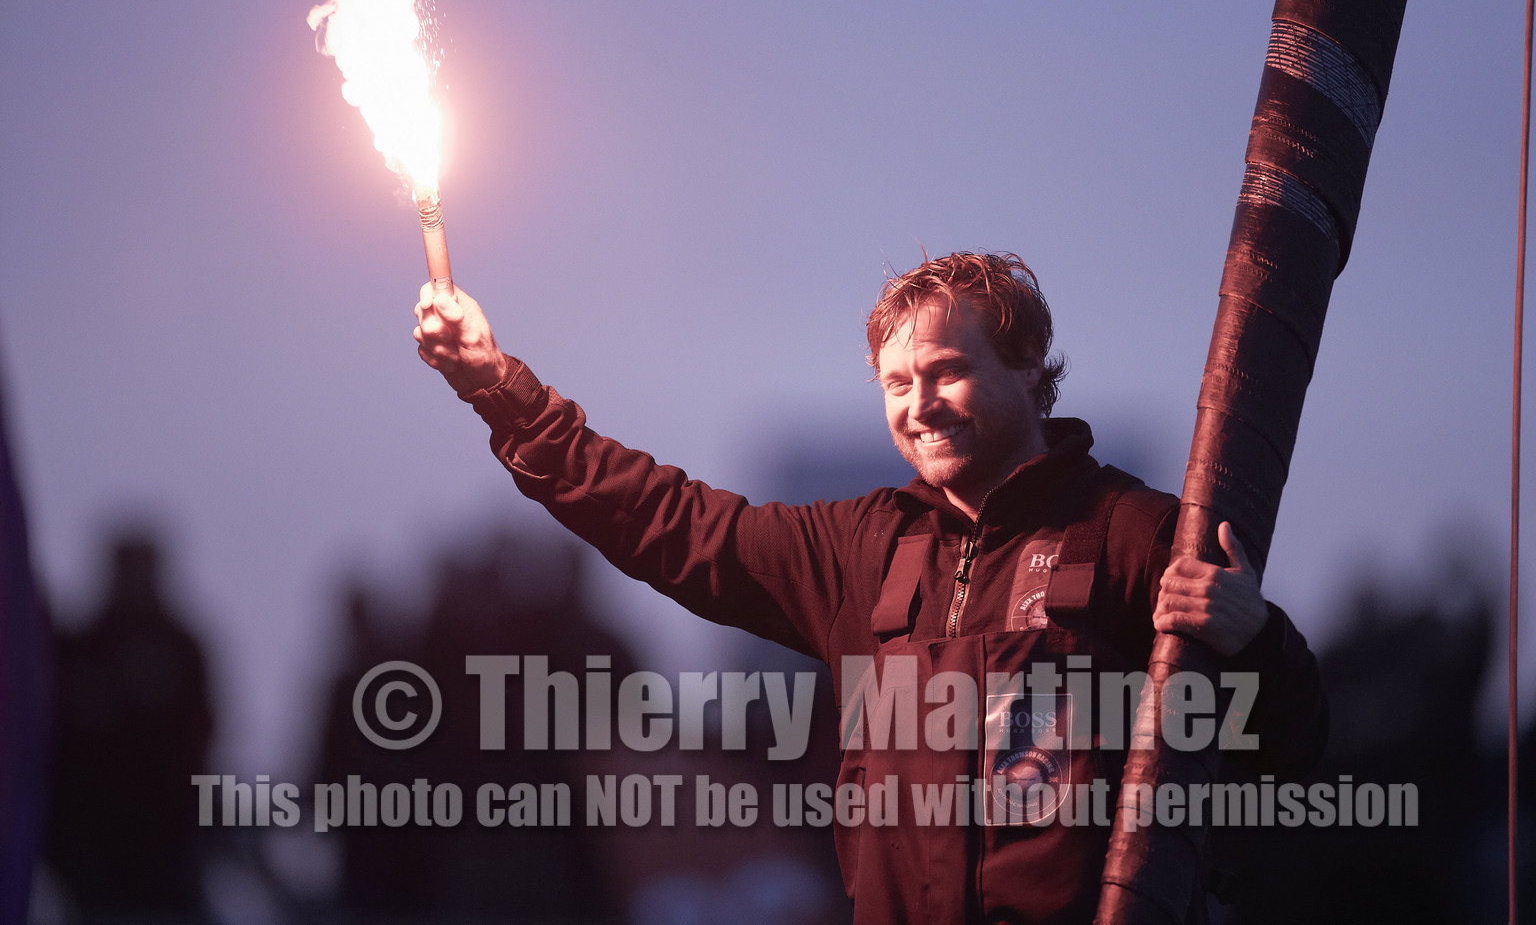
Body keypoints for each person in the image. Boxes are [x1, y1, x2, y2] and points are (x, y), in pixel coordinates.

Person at [413, 251, 1326, 924]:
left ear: (1030, 370)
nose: (919, 404)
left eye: (948, 372)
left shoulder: (1136, 532)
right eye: (897, 382)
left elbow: (1287, 752)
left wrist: (1258, 642)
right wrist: (499, 389)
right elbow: (667, 522)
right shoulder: (858, 549)